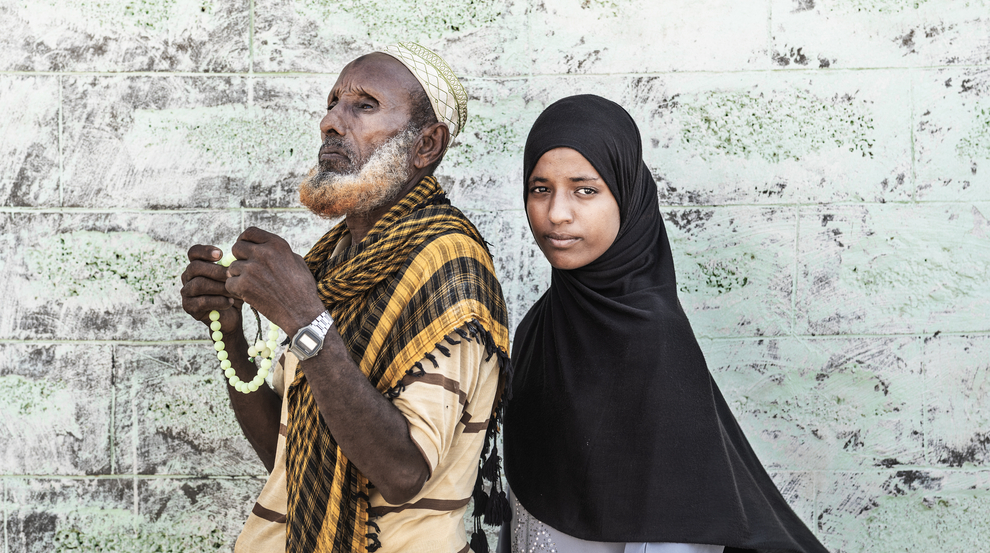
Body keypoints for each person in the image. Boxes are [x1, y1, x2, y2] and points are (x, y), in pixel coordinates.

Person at [180, 43, 511, 553]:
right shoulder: (333, 260)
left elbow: (402, 474)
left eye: (363, 105)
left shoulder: (451, 268)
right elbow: (288, 457)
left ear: (427, 145)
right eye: (333, 102)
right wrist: (230, 334)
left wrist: (305, 319)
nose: (332, 121)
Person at [500, 95, 829, 553]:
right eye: (540, 189)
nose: (556, 213)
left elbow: (682, 534)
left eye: (584, 190)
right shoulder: (538, 328)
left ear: (627, 195)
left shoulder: (651, 336)